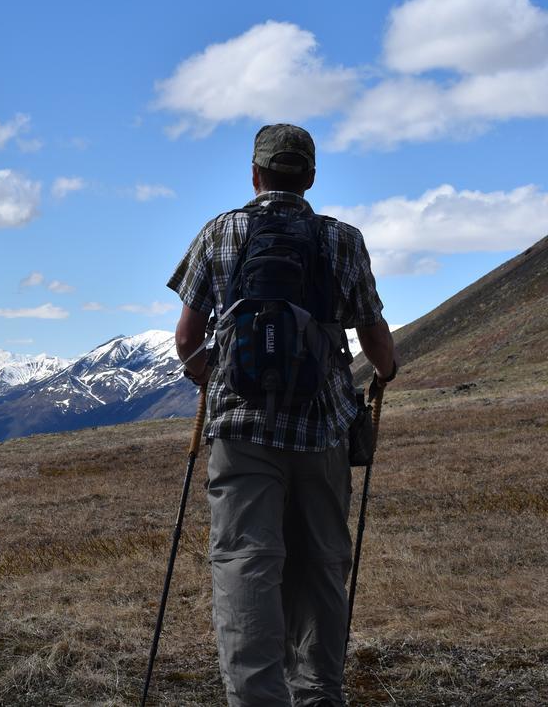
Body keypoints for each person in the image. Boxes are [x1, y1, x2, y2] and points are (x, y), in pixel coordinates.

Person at [165, 123, 398, 707]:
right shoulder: (342, 240)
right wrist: (386, 371)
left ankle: (257, 697)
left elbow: (188, 338)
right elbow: (373, 335)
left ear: (255, 173)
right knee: (320, 563)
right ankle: (319, 693)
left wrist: (212, 377)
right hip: (321, 430)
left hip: (239, 433)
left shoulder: (221, 231)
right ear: (312, 177)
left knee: (247, 560)